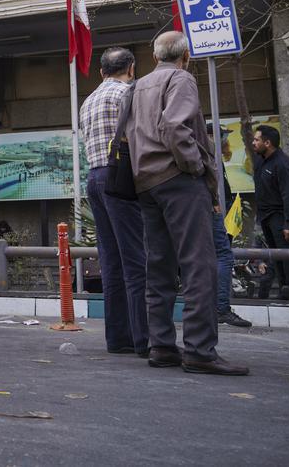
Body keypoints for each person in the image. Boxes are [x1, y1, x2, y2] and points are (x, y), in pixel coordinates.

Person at [123, 31, 248, 376]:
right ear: (186, 56)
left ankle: (161, 345)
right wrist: (195, 167)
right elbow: (176, 128)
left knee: (159, 266)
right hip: (177, 179)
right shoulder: (181, 79)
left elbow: (130, 134)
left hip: (145, 183)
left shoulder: (137, 87)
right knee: (199, 266)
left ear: (153, 56)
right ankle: (199, 350)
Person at [79, 47, 148, 357]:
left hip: (94, 178)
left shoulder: (88, 100)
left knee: (111, 261)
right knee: (135, 260)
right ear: (131, 69)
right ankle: (143, 337)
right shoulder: (128, 93)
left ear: (101, 72)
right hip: (121, 177)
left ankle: (118, 337)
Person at [251, 125, 289, 301]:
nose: (253, 143)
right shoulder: (260, 161)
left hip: (280, 217)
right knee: (275, 256)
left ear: (268, 142)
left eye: (257, 139)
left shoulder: (284, 164)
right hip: (265, 216)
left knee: (287, 254)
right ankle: (283, 290)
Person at [210, 132, 251, 327]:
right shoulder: (207, 149)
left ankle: (215, 308)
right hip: (208, 208)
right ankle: (221, 308)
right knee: (223, 255)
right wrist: (213, 200)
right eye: (223, 138)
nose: (227, 144)